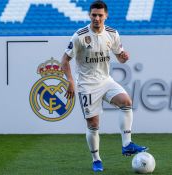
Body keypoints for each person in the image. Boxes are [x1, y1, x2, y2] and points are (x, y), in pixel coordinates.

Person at [61, 0, 148, 172]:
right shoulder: (79, 36)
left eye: (100, 15)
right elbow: (64, 60)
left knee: (126, 101)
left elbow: (120, 57)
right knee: (93, 124)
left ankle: (127, 144)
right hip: (86, 84)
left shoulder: (112, 33)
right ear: (89, 15)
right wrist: (71, 81)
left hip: (105, 80)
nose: (97, 18)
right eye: (94, 15)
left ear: (106, 16)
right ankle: (96, 159)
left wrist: (123, 58)